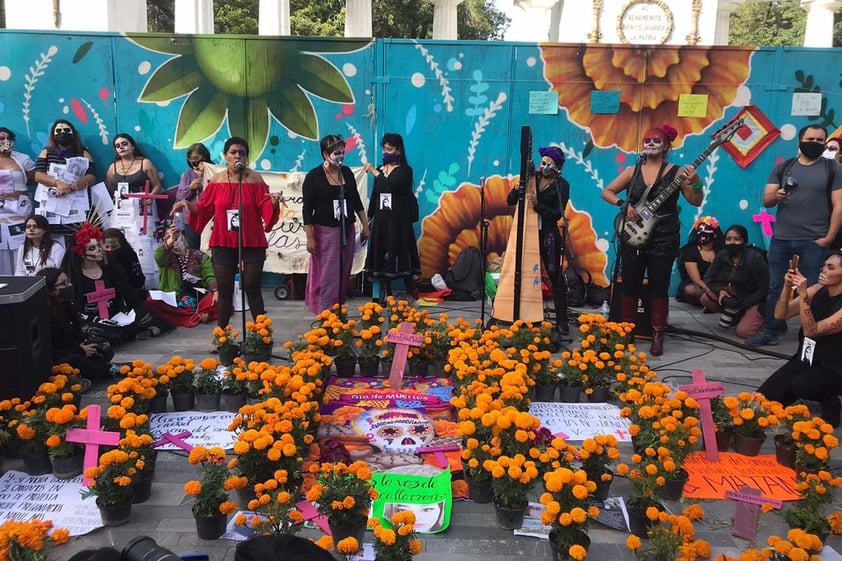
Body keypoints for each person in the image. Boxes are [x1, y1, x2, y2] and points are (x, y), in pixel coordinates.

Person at [601, 123, 703, 356]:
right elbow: (607, 192)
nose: (650, 144)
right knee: (629, 283)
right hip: (633, 236)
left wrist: (696, 181)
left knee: (658, 285)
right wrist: (623, 205)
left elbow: (695, 200)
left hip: (664, 238)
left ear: (666, 145)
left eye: (656, 140)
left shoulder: (677, 173)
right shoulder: (633, 170)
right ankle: (628, 331)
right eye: (646, 140)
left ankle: (658, 334)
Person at [172, 136, 282, 339]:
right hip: (223, 240)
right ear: (225, 156)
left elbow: (264, 209)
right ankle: (221, 336)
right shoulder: (217, 180)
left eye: (242, 152)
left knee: (252, 287)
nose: (238, 156)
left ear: (247, 157)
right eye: (233, 152)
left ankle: (262, 335)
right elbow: (204, 208)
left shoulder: (256, 179)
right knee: (224, 290)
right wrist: (187, 205)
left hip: (252, 240)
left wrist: (273, 203)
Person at [747, 124, 842, 347]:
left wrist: (828, 238)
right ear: (800, 141)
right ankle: (771, 329)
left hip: (815, 240)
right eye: (811, 139)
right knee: (776, 287)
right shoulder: (784, 167)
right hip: (781, 239)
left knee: (812, 289)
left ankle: (809, 335)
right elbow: (766, 199)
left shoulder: (833, 169)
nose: (816, 143)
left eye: (821, 140)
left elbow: (839, 206)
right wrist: (777, 195)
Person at [757, 251, 842, 427]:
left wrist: (803, 294)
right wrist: (787, 287)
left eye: (830, 267)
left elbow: (811, 330)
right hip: (806, 357)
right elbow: (781, 314)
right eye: (824, 265)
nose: (823, 270)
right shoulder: (818, 289)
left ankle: (830, 401)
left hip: (834, 366)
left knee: (803, 385)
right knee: (762, 401)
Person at [505, 145, 570, 338]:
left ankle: (562, 321)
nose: (545, 166)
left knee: (554, 275)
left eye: (550, 163)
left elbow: (557, 214)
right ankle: (519, 313)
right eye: (544, 162)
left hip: (548, 234)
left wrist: (538, 205)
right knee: (520, 271)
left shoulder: (562, 185)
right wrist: (517, 189)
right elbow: (510, 201)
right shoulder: (531, 177)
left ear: (557, 166)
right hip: (526, 232)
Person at [65, 223, 166, 344]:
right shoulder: (74, 275)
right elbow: (73, 308)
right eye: (92, 248)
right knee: (93, 331)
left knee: (148, 312)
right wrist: (96, 320)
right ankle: (125, 335)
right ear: (81, 253)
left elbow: (127, 293)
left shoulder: (110, 267)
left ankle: (126, 333)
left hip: (116, 316)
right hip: (92, 320)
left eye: (98, 246)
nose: (98, 251)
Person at [303, 134, 370, 314]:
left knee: (344, 270)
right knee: (327, 273)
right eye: (336, 153)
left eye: (342, 152)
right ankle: (325, 312)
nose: (340, 156)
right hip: (324, 231)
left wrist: (365, 225)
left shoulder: (346, 172)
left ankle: (339, 309)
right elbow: (307, 210)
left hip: (346, 229)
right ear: (325, 154)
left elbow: (356, 200)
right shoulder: (314, 176)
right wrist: (310, 238)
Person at [363, 133, 420, 301]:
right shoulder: (381, 170)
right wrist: (370, 216)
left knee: (401, 251)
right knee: (382, 253)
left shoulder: (405, 171)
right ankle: (385, 292)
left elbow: (392, 186)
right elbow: (376, 193)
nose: (385, 152)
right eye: (384, 149)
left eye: (389, 149)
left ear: (398, 151)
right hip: (382, 219)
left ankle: (410, 290)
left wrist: (374, 172)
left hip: (399, 221)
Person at [38, 267, 120, 384]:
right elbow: (51, 349)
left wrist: (83, 344)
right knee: (75, 360)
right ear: (50, 290)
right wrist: (80, 350)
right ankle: (108, 370)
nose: (68, 286)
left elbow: (73, 332)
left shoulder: (66, 305)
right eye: (63, 284)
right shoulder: (45, 314)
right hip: (56, 358)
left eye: (68, 282)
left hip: (72, 349)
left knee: (103, 350)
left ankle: (88, 373)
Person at [700, 225, 768, 339]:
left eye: (737, 239)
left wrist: (743, 304)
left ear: (744, 241)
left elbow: (765, 288)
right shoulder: (723, 255)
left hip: (755, 298)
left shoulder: (755, 258)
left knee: (743, 333)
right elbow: (708, 278)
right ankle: (738, 316)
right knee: (705, 298)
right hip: (736, 294)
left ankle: (767, 320)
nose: (732, 242)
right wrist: (721, 290)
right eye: (728, 239)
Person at [146, 224, 219, 327]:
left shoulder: (199, 255)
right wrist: (170, 240)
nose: (174, 239)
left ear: (183, 236)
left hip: (198, 298)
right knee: (151, 301)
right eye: (168, 236)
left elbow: (210, 275)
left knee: (218, 299)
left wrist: (215, 290)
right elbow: (158, 257)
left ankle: (189, 315)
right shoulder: (166, 257)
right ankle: (197, 316)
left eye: (177, 235)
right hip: (174, 301)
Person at [33, 119, 97, 225]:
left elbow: (91, 176)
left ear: (73, 133)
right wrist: (57, 183)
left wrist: (72, 187)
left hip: (77, 203)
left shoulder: (83, 152)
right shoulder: (46, 152)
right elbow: (38, 175)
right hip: (51, 202)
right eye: (59, 131)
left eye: (66, 130)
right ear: (53, 134)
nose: (62, 133)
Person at [0, 127, 36, 275]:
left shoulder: (22, 159)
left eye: (8, 139)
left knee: (22, 248)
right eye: (1, 139)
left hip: (20, 212)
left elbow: (35, 178)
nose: (5, 141)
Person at [676, 216, 724, 306]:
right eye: (700, 230)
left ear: (715, 234)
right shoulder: (691, 252)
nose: (703, 233)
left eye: (707, 229)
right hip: (701, 286)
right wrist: (709, 291)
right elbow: (696, 280)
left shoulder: (720, 252)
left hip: (716, 285)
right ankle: (710, 303)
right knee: (690, 290)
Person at [175, 142, 212, 249]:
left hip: (211, 219)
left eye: (196, 157)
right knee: (194, 250)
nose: (194, 161)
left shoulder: (216, 172)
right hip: (191, 220)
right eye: (190, 158)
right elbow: (179, 198)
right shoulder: (187, 175)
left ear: (205, 156)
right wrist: (190, 188)